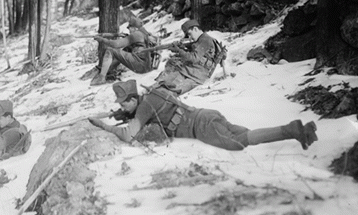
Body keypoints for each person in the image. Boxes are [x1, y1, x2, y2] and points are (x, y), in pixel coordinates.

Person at [88, 80, 318, 151]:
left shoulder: (145, 106)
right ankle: (295, 131)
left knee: (241, 142)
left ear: (131, 99)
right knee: (245, 133)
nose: (122, 107)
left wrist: (104, 126)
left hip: (202, 126)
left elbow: (129, 135)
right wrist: (127, 115)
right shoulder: (152, 95)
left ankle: (291, 130)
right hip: (206, 115)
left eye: (123, 103)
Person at [154, 18, 228, 95]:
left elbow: (194, 58)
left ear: (195, 29)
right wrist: (181, 48)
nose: (190, 37)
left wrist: (179, 50)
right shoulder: (201, 39)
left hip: (195, 76)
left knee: (168, 89)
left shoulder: (205, 40)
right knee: (168, 74)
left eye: (190, 34)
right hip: (192, 71)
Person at [90, 17, 153, 86]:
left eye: (129, 27)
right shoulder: (144, 33)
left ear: (135, 28)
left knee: (110, 50)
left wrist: (102, 40)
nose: (128, 29)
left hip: (140, 66)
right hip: (148, 66)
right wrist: (105, 35)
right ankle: (109, 71)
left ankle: (101, 78)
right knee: (125, 50)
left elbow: (116, 44)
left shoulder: (135, 34)